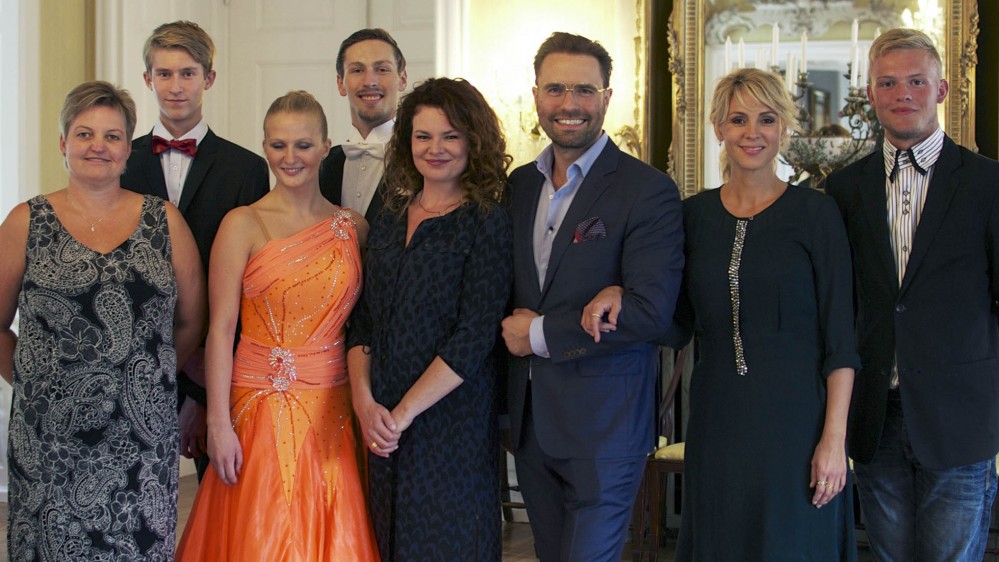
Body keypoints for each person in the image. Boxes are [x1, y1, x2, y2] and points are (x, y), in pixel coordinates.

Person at [656, 68, 858, 560]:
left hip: (798, 423)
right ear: (718, 128)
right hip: (717, 419)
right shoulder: (692, 216)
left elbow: (842, 339)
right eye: (738, 119)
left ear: (783, 127)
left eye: (766, 119)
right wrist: (619, 294)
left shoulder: (817, 214)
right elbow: (673, 320)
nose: (752, 132)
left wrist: (834, 441)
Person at [0, 80, 205, 559]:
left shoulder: (165, 221)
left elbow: (191, 323)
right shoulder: (25, 222)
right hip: (47, 440)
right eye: (84, 133)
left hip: (141, 441)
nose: (98, 146)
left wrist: (145, 381)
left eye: (112, 136)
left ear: (128, 148)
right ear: (63, 143)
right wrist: (35, 382)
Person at [500, 32, 684, 562]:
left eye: (584, 89)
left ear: (607, 96)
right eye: (556, 88)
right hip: (530, 426)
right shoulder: (516, 187)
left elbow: (651, 312)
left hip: (606, 428)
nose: (570, 103)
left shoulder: (647, 189)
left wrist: (537, 334)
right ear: (536, 95)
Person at [175, 91, 379, 561]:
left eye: (303, 145)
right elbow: (220, 330)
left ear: (325, 146)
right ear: (264, 146)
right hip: (257, 411)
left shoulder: (354, 228)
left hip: (334, 408)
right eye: (278, 145)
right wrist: (217, 423)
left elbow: (366, 327)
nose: (291, 158)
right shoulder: (242, 224)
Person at [827, 28, 999, 561]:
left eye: (916, 82)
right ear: (871, 94)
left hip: (960, 417)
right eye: (888, 83)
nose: (902, 93)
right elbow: (841, 303)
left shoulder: (987, 184)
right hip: (875, 414)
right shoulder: (843, 189)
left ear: (941, 90)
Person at [347, 77, 512, 561]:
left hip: (450, 420)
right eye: (423, 136)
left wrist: (403, 414)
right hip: (380, 417)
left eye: (450, 136)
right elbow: (363, 319)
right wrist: (364, 403)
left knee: (444, 544)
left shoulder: (487, 219)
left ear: (473, 141)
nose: (435, 148)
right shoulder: (390, 214)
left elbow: (474, 336)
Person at [121, 20, 269, 475]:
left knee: (217, 497)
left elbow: (249, 286)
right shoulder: (119, 161)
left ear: (209, 78)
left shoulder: (246, 168)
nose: (175, 86)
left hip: (213, 368)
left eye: (187, 73)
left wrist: (204, 396)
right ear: (147, 79)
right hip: (130, 364)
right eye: (164, 74)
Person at [319, 28, 408, 223]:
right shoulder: (322, 166)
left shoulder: (421, 160)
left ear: (402, 79)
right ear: (340, 83)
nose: (369, 81)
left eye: (382, 69)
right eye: (357, 70)